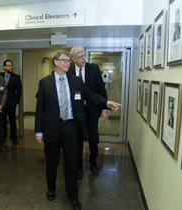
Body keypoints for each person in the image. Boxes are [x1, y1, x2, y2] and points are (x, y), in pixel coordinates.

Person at [35, 50, 122, 210]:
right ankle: (51, 188)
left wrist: (106, 103)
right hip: (52, 127)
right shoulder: (44, 82)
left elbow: (90, 95)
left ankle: (73, 196)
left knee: (72, 163)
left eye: (69, 60)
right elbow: (40, 107)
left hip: (71, 127)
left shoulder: (75, 81)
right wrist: (38, 131)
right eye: (65, 60)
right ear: (56, 62)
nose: (68, 63)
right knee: (52, 162)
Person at [68, 45, 108, 179]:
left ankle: (93, 163)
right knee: (77, 141)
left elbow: (101, 89)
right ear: (73, 59)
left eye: (84, 55)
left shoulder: (94, 68)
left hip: (92, 111)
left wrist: (104, 109)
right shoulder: (69, 71)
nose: (84, 59)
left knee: (94, 139)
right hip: (76, 113)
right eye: (80, 57)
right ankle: (78, 167)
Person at [0, 60, 22, 146]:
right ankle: (3, 138)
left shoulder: (16, 77)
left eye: (11, 65)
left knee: (12, 122)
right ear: (4, 67)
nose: (11, 67)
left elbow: (19, 91)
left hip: (11, 103)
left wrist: (15, 102)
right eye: (8, 66)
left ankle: (14, 138)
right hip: (1, 104)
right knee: (2, 122)